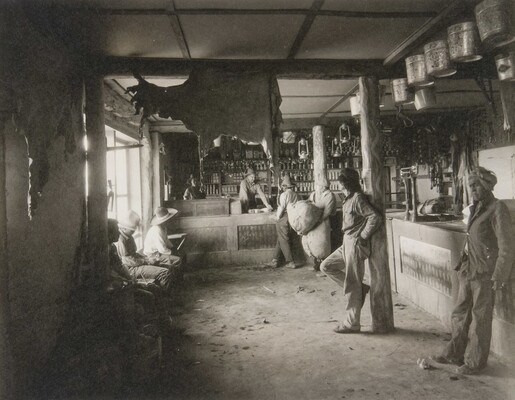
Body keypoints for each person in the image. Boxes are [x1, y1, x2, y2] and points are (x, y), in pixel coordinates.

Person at [431, 167, 514, 375]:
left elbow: (507, 246)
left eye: (475, 185)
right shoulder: (476, 207)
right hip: (469, 268)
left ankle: (476, 362)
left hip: (485, 273)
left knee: (480, 318)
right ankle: (454, 353)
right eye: (470, 186)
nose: (472, 189)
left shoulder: (498, 209)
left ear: (486, 185)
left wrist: (499, 275)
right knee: (460, 313)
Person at [320, 168, 381, 334]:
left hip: (355, 243)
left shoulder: (357, 198)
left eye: (341, 183)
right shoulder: (348, 199)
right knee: (326, 266)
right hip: (346, 242)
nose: (340, 187)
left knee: (352, 283)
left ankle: (352, 323)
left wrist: (363, 236)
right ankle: (360, 290)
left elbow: (374, 217)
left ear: (347, 183)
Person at [108, 219, 174, 334]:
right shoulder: (116, 244)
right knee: (156, 284)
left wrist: (145, 260)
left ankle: (165, 321)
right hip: (128, 274)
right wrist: (146, 262)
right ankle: (156, 327)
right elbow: (127, 263)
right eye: (115, 230)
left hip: (128, 277)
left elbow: (121, 265)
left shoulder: (113, 246)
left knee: (155, 288)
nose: (118, 233)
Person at [115, 210, 173, 292]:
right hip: (131, 269)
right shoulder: (120, 240)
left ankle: (164, 294)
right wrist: (147, 261)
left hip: (137, 264)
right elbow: (128, 261)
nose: (134, 232)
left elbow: (134, 254)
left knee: (167, 266)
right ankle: (164, 299)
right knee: (165, 272)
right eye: (132, 230)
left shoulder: (129, 236)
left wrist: (146, 259)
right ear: (123, 228)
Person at [266, 175, 299, 269]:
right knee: (281, 238)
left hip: (284, 217)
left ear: (284, 186)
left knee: (283, 239)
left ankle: (290, 261)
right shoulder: (296, 194)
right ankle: (275, 260)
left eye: (283, 186)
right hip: (292, 218)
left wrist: (277, 217)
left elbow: (281, 207)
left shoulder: (284, 195)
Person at [308, 176, 337, 271]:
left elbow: (327, 212)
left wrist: (318, 221)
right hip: (314, 222)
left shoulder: (329, 195)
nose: (317, 187)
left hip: (323, 222)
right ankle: (316, 264)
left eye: (319, 186)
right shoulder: (314, 194)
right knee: (313, 242)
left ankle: (325, 266)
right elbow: (310, 203)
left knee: (323, 243)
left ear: (324, 187)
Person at [143, 207, 183, 272]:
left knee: (181, 254)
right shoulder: (157, 230)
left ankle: (176, 276)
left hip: (159, 252)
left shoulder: (163, 228)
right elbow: (162, 249)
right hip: (153, 255)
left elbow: (166, 240)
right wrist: (173, 252)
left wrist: (173, 248)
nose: (169, 221)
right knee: (177, 259)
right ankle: (175, 279)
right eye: (168, 219)